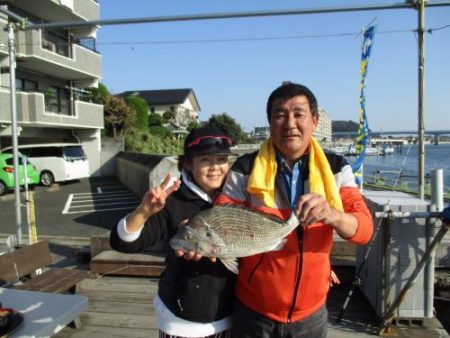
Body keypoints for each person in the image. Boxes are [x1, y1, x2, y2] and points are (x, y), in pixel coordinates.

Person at [214, 82, 374, 337]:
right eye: (280, 115)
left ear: (314, 120)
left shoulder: (337, 168)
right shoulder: (245, 168)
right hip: (253, 310)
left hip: (311, 314)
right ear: (269, 122)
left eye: (299, 114)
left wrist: (332, 214)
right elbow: (219, 219)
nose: (290, 123)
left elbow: (363, 230)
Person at [110, 126, 236, 338]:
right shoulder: (171, 201)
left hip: (230, 315)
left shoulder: (236, 197)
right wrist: (144, 211)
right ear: (187, 162)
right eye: (205, 160)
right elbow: (123, 243)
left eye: (221, 160)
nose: (215, 168)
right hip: (181, 322)